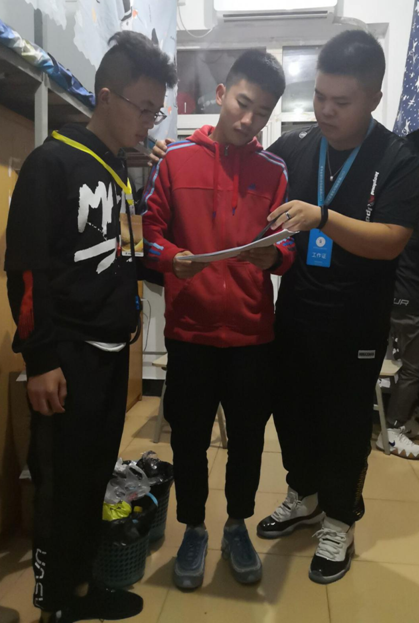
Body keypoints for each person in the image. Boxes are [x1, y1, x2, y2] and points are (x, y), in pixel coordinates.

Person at [5, 31, 177, 623]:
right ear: (106, 96)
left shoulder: (118, 170)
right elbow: (27, 271)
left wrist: (169, 265)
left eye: (156, 111)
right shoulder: (52, 163)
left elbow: (120, 251)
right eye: (143, 108)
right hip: (66, 357)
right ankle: (55, 605)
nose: (149, 122)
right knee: (60, 487)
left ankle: (83, 588)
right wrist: (41, 360)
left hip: (108, 352)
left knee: (94, 477)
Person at [254, 30, 419, 585]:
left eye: (341, 101)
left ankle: (339, 521)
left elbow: (391, 239)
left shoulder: (397, 158)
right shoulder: (295, 147)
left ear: (373, 98)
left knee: (345, 424)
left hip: (356, 323)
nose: (325, 110)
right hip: (296, 311)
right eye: (320, 96)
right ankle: (303, 497)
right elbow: (246, 171)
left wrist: (322, 218)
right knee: (291, 412)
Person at [143, 49, 295, 590]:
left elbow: (288, 245)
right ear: (222, 94)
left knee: (248, 441)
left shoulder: (275, 171)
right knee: (188, 439)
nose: (249, 120)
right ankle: (192, 529)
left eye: (263, 112)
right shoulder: (175, 160)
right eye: (243, 104)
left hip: (253, 334)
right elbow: (149, 231)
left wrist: (274, 257)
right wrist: (170, 258)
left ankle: (236, 526)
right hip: (191, 333)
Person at [376, 129, 419, 459]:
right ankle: (392, 430)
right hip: (409, 299)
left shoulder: (398, 192)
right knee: (414, 367)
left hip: (391, 293)